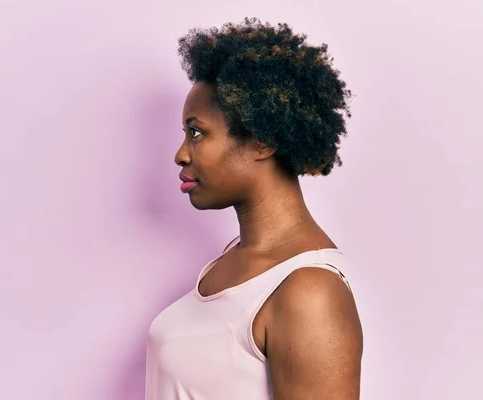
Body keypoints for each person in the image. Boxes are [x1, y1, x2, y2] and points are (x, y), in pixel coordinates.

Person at [145, 17, 363, 400]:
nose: (181, 154)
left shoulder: (310, 293)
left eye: (196, 132)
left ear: (262, 141)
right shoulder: (234, 257)